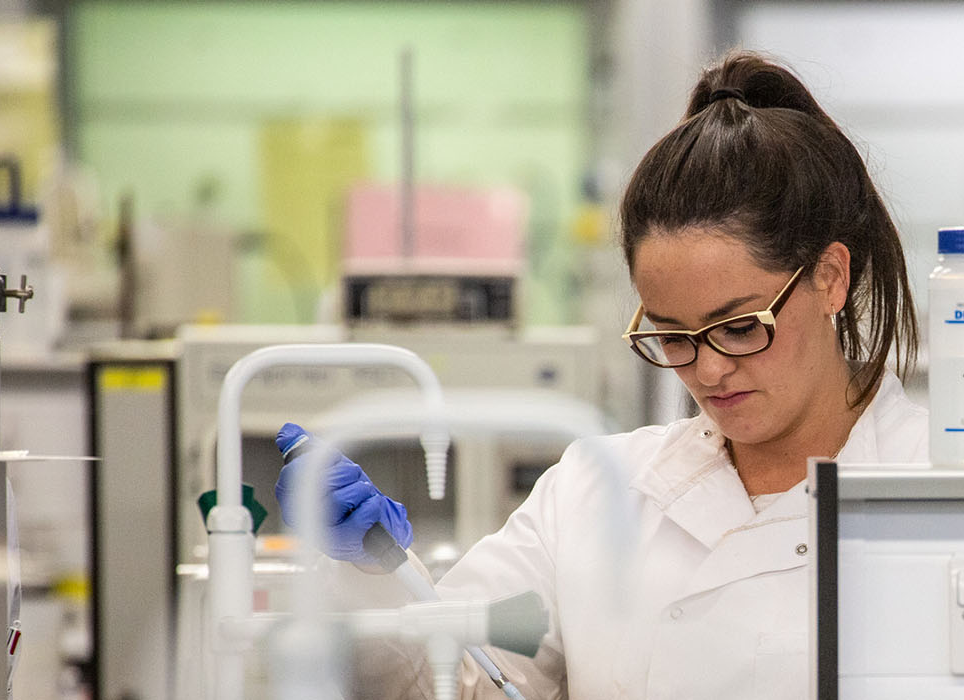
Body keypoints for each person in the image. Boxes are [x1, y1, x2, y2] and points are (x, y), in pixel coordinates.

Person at [276, 51, 927, 699]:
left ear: (830, 277)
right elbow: (453, 681)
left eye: (739, 326)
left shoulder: (941, 490)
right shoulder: (595, 492)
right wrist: (374, 575)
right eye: (672, 335)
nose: (707, 369)